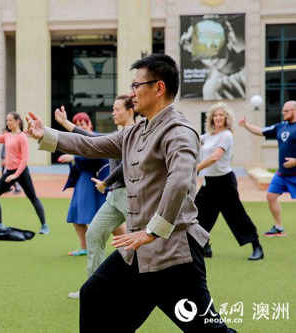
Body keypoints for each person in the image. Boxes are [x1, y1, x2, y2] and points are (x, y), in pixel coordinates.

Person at [27, 54, 237, 332]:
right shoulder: (136, 131)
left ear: (159, 88)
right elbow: (93, 144)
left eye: (136, 85)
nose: (131, 92)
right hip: (137, 254)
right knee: (94, 293)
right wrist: (47, 135)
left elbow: (180, 180)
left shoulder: (179, 131)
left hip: (174, 255)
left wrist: (152, 231)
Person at [55, 96, 136, 298]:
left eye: (117, 109)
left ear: (130, 111)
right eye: (113, 109)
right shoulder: (119, 134)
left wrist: (105, 182)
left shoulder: (134, 134)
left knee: (146, 245)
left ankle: (150, 288)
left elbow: (126, 166)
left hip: (130, 195)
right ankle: (93, 291)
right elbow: (92, 139)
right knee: (94, 234)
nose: (113, 113)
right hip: (114, 196)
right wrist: (67, 124)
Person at [195, 102, 263, 260]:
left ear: (226, 118)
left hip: (225, 183)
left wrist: (195, 168)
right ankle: (205, 247)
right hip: (209, 182)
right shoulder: (209, 136)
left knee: (237, 216)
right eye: (215, 115)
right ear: (211, 119)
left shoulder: (227, 135)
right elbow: (193, 139)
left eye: (221, 115)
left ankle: (257, 247)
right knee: (198, 214)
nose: (218, 118)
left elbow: (214, 157)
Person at [239, 100, 296, 236]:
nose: (283, 113)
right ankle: (278, 227)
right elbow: (260, 131)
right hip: (282, 174)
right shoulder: (280, 127)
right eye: (283, 111)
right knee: (271, 196)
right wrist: (245, 125)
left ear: (294, 111)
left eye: (286, 111)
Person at [57, 112, 109, 256]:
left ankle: (125, 246)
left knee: (107, 216)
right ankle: (84, 247)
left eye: (82, 123)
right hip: (83, 179)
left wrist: (73, 157)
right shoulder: (76, 139)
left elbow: (95, 156)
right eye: (77, 124)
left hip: (96, 180)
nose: (80, 126)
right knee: (76, 214)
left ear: (89, 124)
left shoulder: (96, 137)